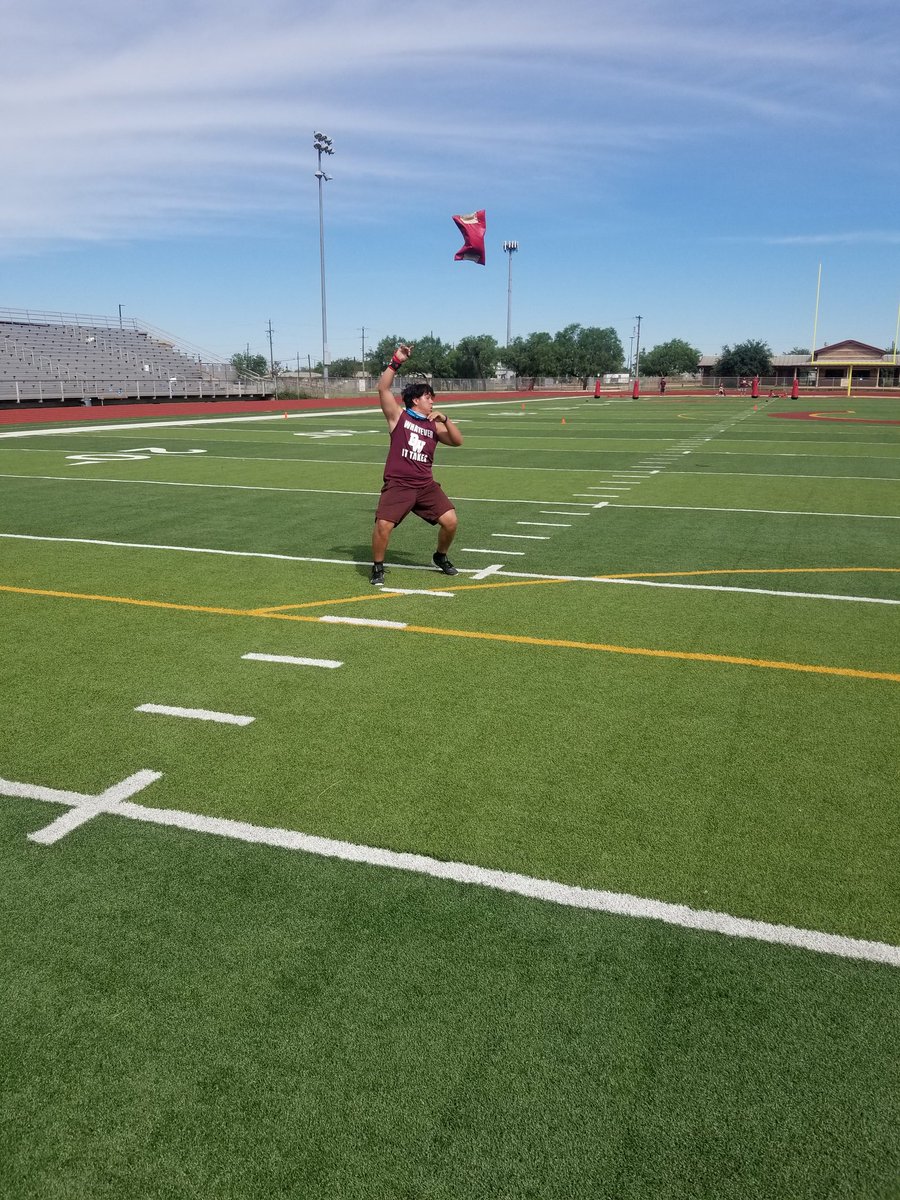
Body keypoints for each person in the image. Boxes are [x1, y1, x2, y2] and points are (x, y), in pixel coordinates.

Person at [370, 343, 463, 586]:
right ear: (414, 400)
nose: (432, 402)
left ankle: (440, 556)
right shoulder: (398, 416)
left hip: (425, 486)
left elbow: (457, 441)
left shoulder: (434, 425)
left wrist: (446, 418)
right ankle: (378, 567)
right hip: (399, 484)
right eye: (428, 397)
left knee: (451, 521)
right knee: (383, 525)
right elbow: (383, 388)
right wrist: (396, 361)